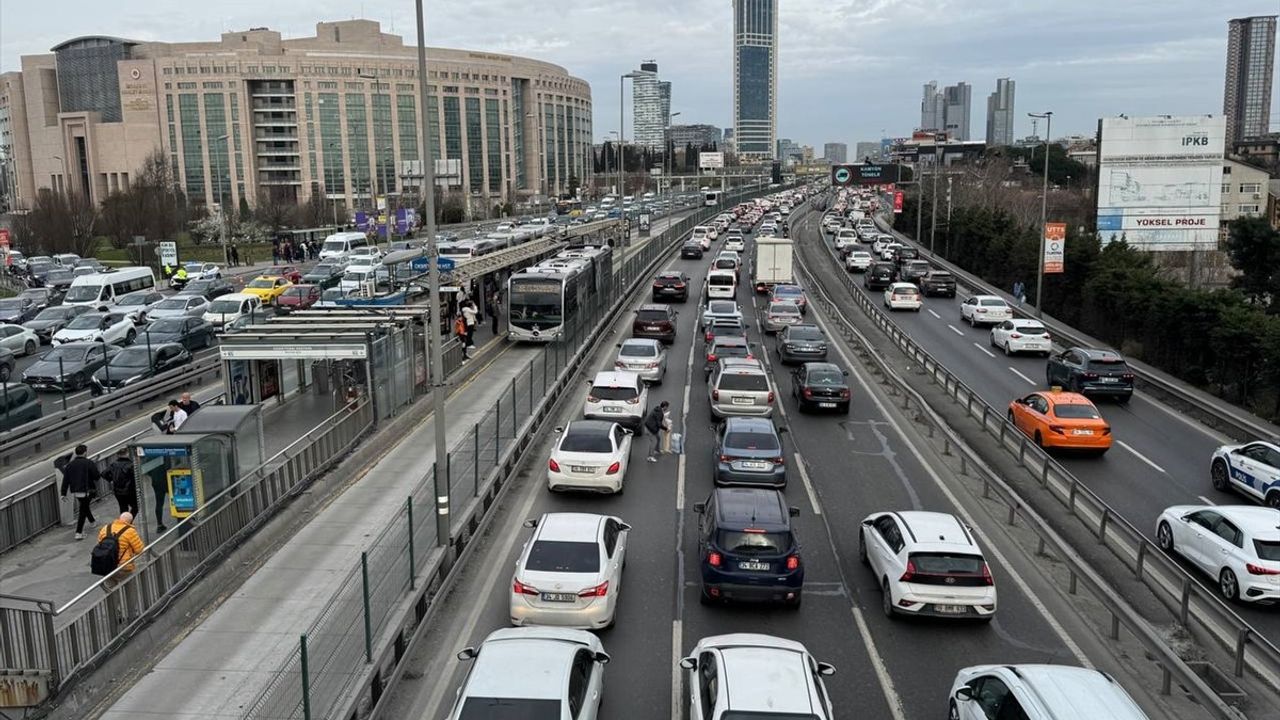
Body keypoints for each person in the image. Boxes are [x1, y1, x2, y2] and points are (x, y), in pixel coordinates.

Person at [97, 512, 146, 621]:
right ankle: (133, 613)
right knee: (130, 590)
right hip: (124, 567)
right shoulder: (130, 531)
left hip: (107, 567)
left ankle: (115, 615)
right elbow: (139, 549)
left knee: (111, 590)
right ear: (130, 522)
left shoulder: (105, 528)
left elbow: (100, 544)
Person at [60, 444, 100, 540]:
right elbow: (96, 476)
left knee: (84, 506)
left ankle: (92, 522)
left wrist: (63, 493)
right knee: (83, 509)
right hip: (88, 490)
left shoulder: (70, 465)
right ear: (85, 452)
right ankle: (78, 532)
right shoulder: (88, 463)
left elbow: (66, 480)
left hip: (76, 491)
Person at [106, 449, 138, 516]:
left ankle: (124, 523)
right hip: (129, 490)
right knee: (135, 507)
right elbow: (135, 477)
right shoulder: (130, 464)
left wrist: (111, 480)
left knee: (123, 508)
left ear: (118, 455)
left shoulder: (113, 464)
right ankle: (128, 521)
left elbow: (104, 473)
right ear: (127, 454)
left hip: (118, 490)